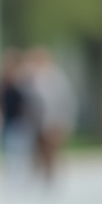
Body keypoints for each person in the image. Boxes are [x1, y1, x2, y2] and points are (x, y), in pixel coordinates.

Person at [23, 47, 76, 185]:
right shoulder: (30, 78)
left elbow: (66, 100)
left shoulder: (56, 77)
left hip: (53, 120)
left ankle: (50, 177)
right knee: (36, 151)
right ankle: (38, 176)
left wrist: (65, 121)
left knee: (51, 151)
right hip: (35, 121)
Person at [0, 48, 32, 184]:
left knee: (22, 151)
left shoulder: (25, 82)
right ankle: (12, 179)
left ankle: (23, 178)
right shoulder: (2, 83)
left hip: (21, 121)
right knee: (10, 152)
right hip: (7, 121)